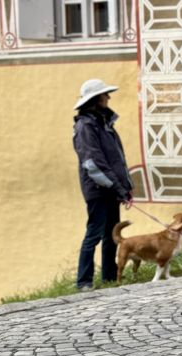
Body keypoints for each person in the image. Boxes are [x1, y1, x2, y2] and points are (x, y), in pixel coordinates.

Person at [72, 79, 134, 290]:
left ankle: (108, 276)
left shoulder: (104, 124)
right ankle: (84, 281)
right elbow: (92, 163)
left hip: (111, 189)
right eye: (105, 95)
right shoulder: (85, 126)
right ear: (96, 99)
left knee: (111, 234)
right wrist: (116, 187)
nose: (108, 97)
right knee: (94, 235)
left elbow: (118, 160)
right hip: (97, 190)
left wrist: (125, 186)